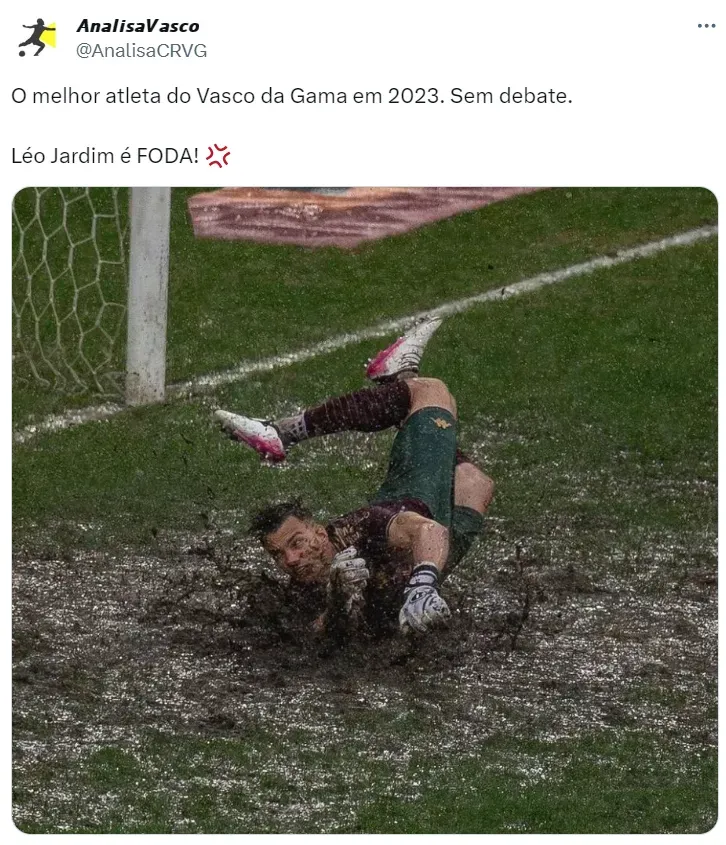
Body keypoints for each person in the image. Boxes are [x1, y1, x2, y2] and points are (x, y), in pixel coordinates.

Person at [215, 317, 494, 637]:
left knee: (431, 392)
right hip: (421, 557)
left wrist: (423, 585)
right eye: (278, 555)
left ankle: (281, 432)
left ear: (319, 532)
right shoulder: (300, 591)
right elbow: (319, 636)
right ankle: (399, 378)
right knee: (475, 483)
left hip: (419, 494)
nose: (291, 560)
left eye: (296, 543)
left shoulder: (362, 527)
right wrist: (337, 600)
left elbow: (427, 532)